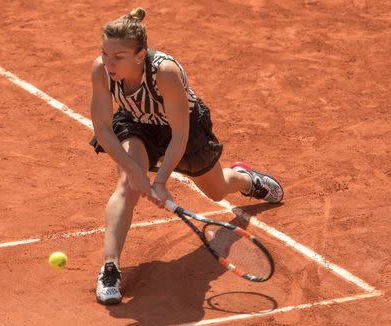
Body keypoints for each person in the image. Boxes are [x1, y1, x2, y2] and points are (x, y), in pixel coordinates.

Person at [89, 7, 284, 305]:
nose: (108, 62)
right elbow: (103, 129)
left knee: (217, 190)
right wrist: (136, 172)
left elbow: (179, 135)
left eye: (118, 57)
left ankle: (247, 179)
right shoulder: (101, 71)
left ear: (140, 56)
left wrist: (161, 181)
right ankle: (110, 267)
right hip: (137, 125)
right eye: (105, 53)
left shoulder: (164, 73)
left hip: (183, 130)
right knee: (127, 186)